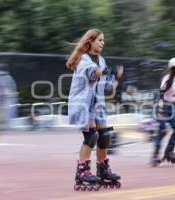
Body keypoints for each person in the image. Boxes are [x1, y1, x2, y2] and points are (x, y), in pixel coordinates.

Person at [66, 28, 123, 190]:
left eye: (104, 40)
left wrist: (115, 80)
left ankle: (103, 169)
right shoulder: (83, 59)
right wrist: (107, 72)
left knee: (105, 136)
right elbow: (94, 74)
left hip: (98, 104)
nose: (103, 43)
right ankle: (82, 171)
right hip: (84, 103)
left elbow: (104, 85)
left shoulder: (102, 60)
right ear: (90, 41)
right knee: (92, 136)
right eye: (100, 40)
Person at [151, 57, 175, 167]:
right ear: (174, 68)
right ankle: (155, 155)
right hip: (162, 105)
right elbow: (161, 95)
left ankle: (169, 151)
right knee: (162, 130)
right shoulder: (167, 78)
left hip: (172, 107)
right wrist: (160, 110)